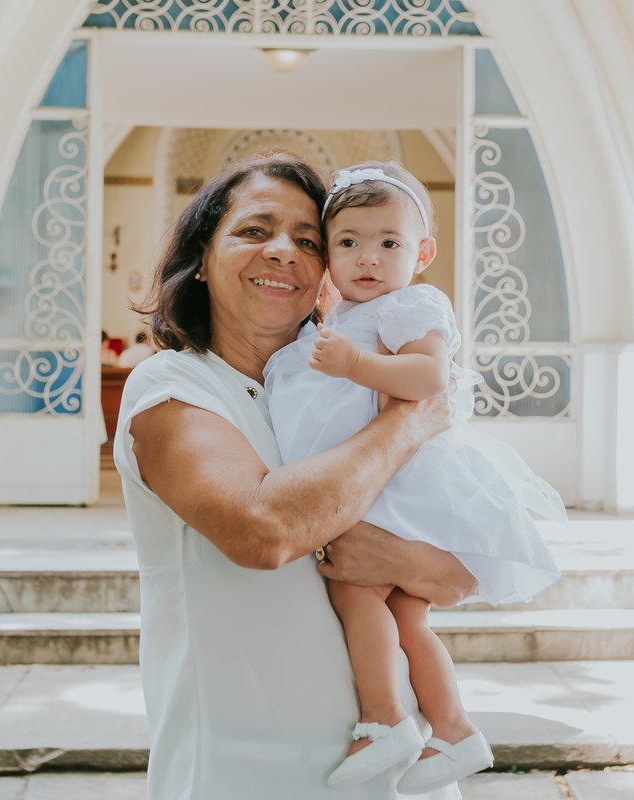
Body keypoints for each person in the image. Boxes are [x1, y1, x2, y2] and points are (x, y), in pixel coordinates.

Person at [113, 153, 475, 800]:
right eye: (255, 231)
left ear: (327, 270)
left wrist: (393, 554)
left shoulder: (333, 391)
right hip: (245, 773)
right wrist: (409, 421)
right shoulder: (172, 386)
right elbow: (264, 531)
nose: (284, 252)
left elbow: (457, 577)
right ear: (202, 254)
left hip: (387, 777)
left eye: (308, 241)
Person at [264, 163, 564, 793]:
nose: (367, 257)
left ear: (423, 253)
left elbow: (429, 381)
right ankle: (454, 731)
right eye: (348, 242)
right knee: (407, 619)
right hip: (382, 478)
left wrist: (354, 364)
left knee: (357, 593)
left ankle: (386, 720)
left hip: (406, 485)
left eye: (389, 243)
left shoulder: (411, 305)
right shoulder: (343, 314)